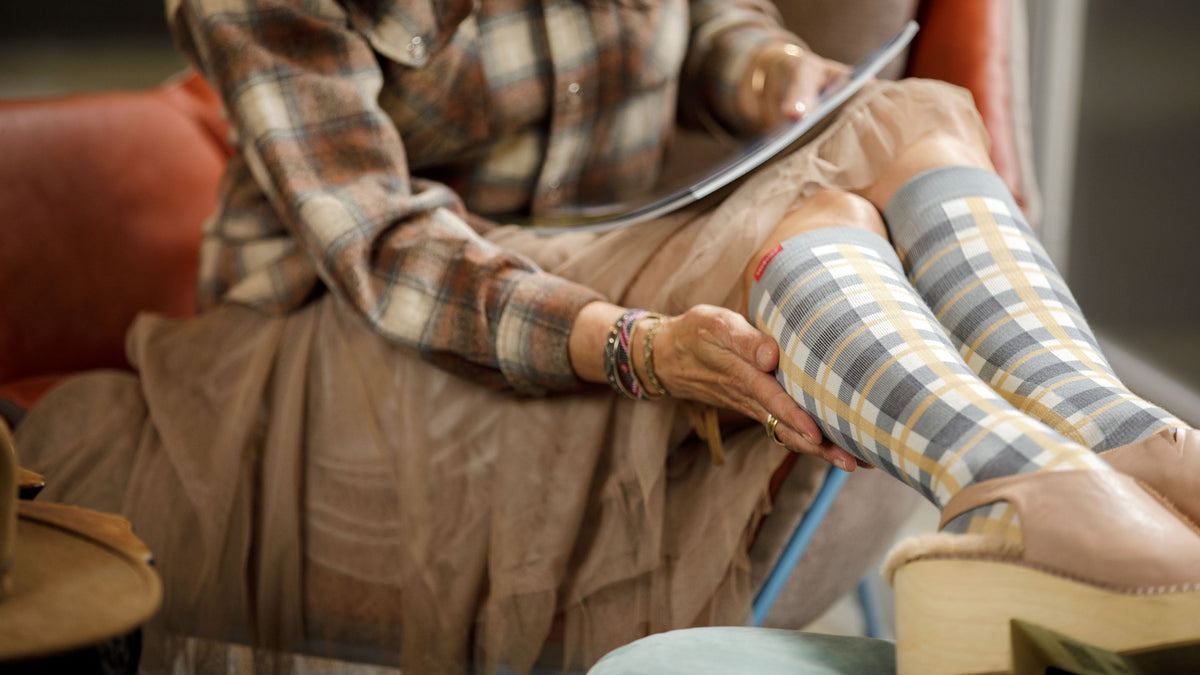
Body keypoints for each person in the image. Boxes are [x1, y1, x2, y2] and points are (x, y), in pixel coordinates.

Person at [12, 0, 1200, 672]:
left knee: (889, 122)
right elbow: (386, 251)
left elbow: (701, 29)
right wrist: (622, 340)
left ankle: (1112, 442)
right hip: (369, 337)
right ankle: (1028, 486)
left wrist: (773, 73)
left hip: (599, 237)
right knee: (815, 209)